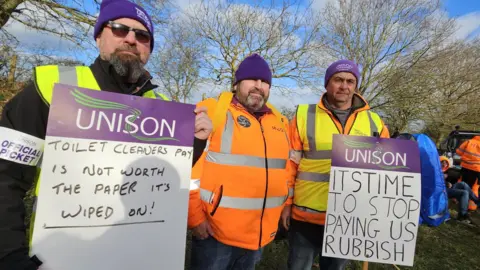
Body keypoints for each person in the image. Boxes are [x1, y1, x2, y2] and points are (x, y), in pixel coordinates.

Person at [0, 0, 212, 269]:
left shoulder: (162, 106)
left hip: (139, 257)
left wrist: (196, 140)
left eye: (143, 35)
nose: (132, 39)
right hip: (60, 259)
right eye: (120, 29)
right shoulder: (51, 87)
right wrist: (10, 256)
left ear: (149, 48)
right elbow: (5, 176)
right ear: (100, 36)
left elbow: (163, 179)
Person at [282, 60, 390, 270]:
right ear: (327, 83)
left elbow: (385, 172)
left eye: (350, 81)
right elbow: (289, 165)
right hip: (307, 215)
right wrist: (286, 203)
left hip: (350, 218)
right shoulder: (304, 116)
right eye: (338, 80)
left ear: (355, 86)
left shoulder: (374, 121)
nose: (344, 86)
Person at [187, 54, 292, 270]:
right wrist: (195, 219)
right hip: (214, 237)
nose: (259, 86)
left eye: (264, 82)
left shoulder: (280, 122)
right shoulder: (213, 111)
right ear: (236, 83)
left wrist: (285, 207)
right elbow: (188, 172)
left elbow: (285, 171)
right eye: (252, 79)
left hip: (258, 238)